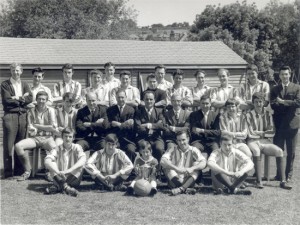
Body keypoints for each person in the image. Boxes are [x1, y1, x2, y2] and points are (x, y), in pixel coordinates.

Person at [245, 92, 292, 190]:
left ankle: (283, 181)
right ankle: (259, 181)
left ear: (263, 103)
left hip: (265, 141)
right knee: (256, 151)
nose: (258, 104)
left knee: (279, 151)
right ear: (253, 103)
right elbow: (249, 133)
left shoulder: (268, 114)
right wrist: (263, 132)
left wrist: (260, 133)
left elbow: (272, 132)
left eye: (260, 102)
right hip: (252, 141)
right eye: (256, 102)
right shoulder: (248, 115)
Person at [14, 91, 58, 181]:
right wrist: (45, 127)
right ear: (36, 100)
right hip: (34, 138)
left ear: (46, 100)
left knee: (55, 149)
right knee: (18, 146)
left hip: (47, 138)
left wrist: (37, 126)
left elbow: (53, 128)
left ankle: (48, 171)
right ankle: (27, 171)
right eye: (39, 99)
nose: (41, 101)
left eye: (43, 99)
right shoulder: (30, 111)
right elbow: (31, 129)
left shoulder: (51, 110)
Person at [1, 63, 33, 178]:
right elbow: (7, 100)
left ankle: (19, 171)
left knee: (20, 144)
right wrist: (22, 98)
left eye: (18, 70)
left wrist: (16, 98)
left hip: (23, 116)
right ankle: (8, 173)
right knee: (9, 145)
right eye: (13, 70)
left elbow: (30, 98)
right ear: (10, 71)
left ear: (21, 71)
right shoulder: (5, 84)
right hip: (10, 116)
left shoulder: (25, 84)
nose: (16, 72)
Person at [270, 66, 300, 182]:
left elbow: (298, 103)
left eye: (286, 74)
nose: (284, 76)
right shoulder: (274, 89)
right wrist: (289, 104)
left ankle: (288, 175)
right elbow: (273, 104)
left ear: (290, 74)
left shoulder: (297, 87)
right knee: (279, 150)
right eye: (282, 74)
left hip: (292, 124)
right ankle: (279, 174)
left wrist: (283, 102)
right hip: (279, 125)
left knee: (291, 152)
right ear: (279, 76)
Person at [160, 130, 207, 196]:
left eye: (183, 140)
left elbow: (204, 163)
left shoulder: (194, 150)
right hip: (174, 179)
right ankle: (185, 188)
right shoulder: (172, 149)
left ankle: (181, 189)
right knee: (166, 165)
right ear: (176, 141)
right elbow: (162, 161)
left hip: (188, 178)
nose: (181, 142)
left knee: (197, 166)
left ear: (188, 139)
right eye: (179, 140)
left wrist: (192, 168)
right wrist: (177, 169)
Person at [44, 128, 86, 197]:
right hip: (59, 176)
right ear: (62, 137)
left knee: (81, 165)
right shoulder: (56, 148)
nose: (68, 138)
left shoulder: (77, 147)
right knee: (51, 163)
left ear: (73, 138)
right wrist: (58, 172)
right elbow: (47, 161)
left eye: (70, 137)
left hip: (73, 178)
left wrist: (68, 170)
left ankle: (58, 187)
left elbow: (83, 159)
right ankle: (66, 188)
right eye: (65, 136)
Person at [106, 89, 136, 161]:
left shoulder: (131, 110)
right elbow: (107, 125)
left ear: (126, 97)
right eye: (118, 97)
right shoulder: (110, 110)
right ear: (116, 98)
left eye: (122, 97)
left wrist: (118, 124)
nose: (120, 99)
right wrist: (125, 124)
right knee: (113, 149)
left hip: (127, 139)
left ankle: (131, 170)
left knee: (131, 150)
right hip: (114, 139)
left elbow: (131, 127)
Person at [135, 91, 165, 161]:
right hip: (143, 137)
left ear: (154, 100)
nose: (149, 101)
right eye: (147, 99)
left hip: (156, 137)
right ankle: (143, 169)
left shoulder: (159, 111)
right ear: (143, 101)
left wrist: (148, 125)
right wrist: (156, 125)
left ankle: (158, 169)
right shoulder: (138, 112)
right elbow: (138, 127)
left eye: (151, 99)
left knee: (159, 148)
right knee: (143, 148)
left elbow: (162, 125)